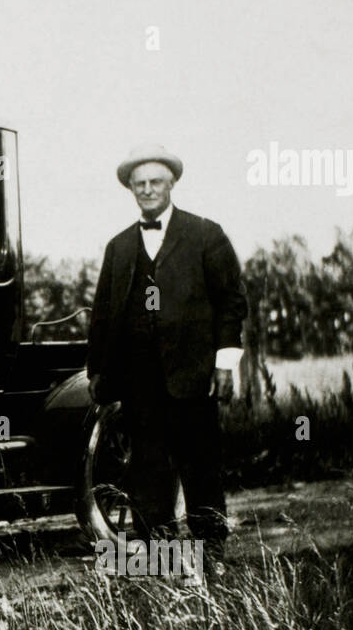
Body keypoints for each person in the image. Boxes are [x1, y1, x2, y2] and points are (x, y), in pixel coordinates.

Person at [86, 144, 248, 569]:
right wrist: (98, 372)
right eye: (139, 185)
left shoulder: (205, 235)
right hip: (141, 384)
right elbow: (103, 314)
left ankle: (213, 564)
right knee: (148, 475)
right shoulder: (119, 248)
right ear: (131, 191)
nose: (147, 190)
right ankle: (162, 568)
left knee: (202, 472)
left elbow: (231, 301)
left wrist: (225, 363)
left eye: (155, 182)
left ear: (172, 184)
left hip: (193, 377)